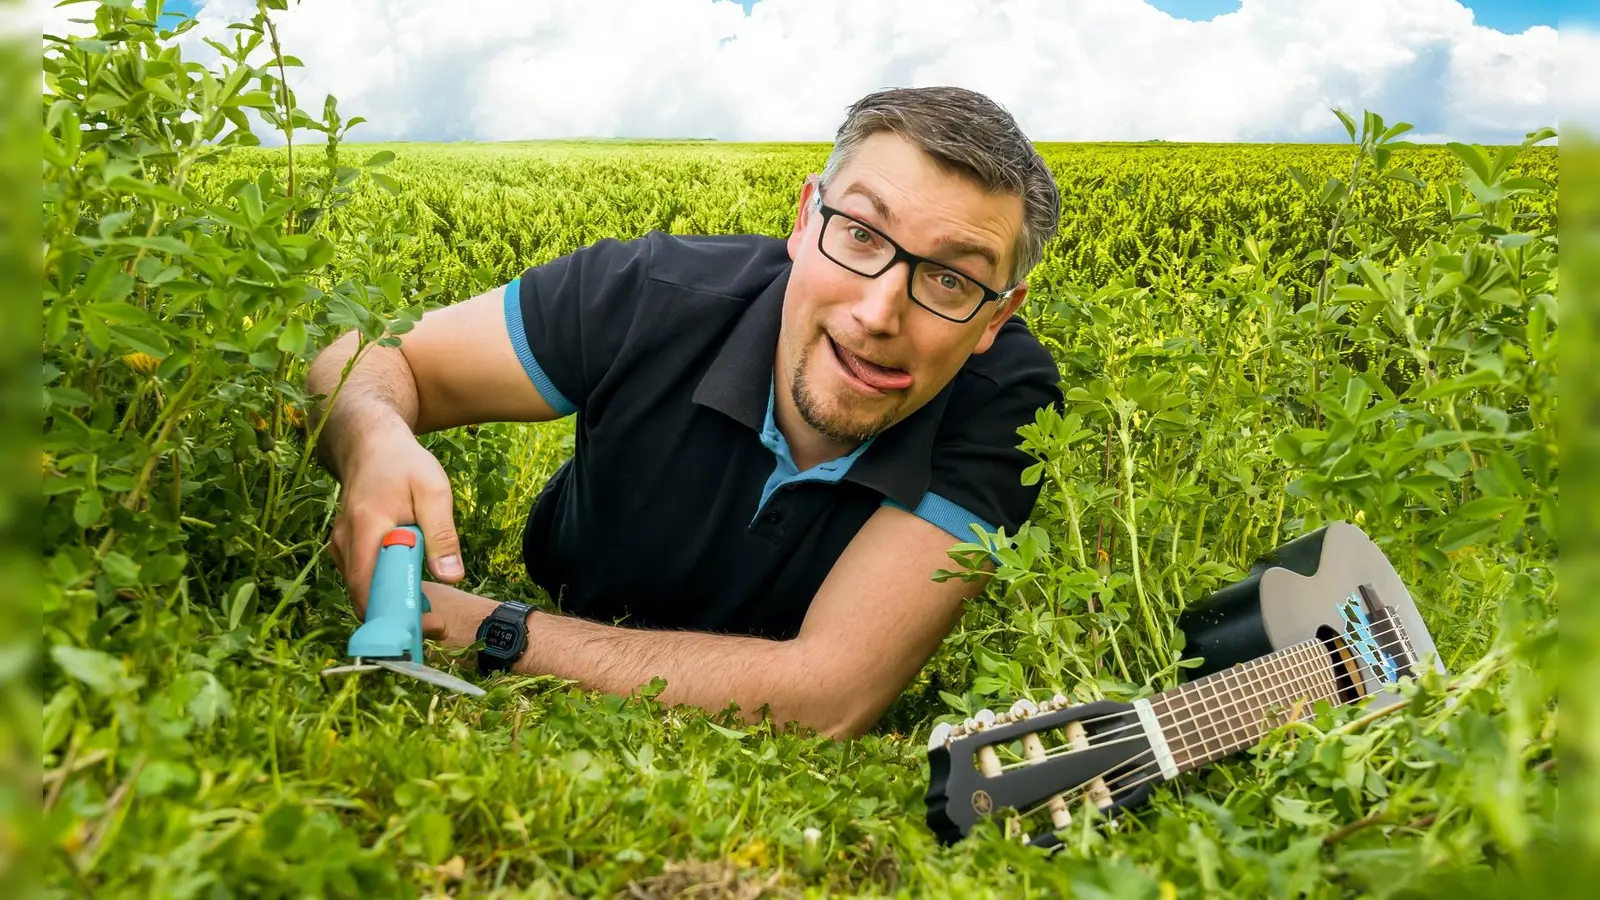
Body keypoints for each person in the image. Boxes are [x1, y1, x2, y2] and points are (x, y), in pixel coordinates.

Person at [306, 85, 1064, 740]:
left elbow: (829, 695)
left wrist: (486, 626)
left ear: (997, 317)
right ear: (806, 219)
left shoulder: (1007, 401)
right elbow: (372, 357)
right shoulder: (652, 291)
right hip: (571, 572)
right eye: (861, 235)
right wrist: (371, 437)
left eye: (951, 281)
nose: (878, 313)